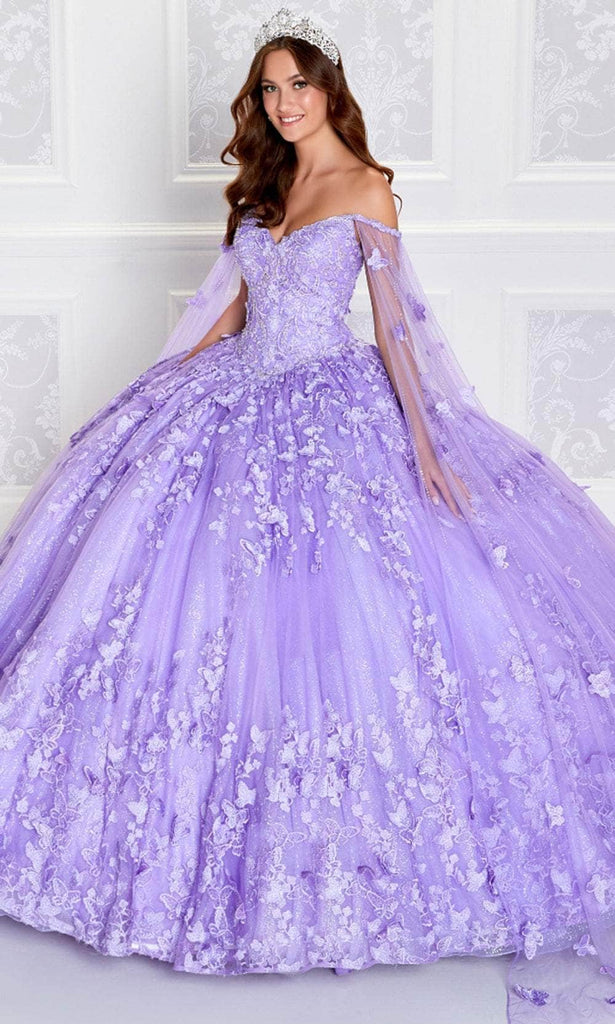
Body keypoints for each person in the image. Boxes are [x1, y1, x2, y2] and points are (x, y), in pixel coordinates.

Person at [1, 8, 615, 1021]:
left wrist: (426, 442)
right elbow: (229, 312)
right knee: (193, 593)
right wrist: (156, 391)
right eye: (269, 90)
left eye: (298, 86)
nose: (284, 105)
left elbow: (397, 327)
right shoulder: (264, 187)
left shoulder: (366, 188)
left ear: (330, 90)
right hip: (234, 392)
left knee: (336, 605)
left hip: (332, 402)